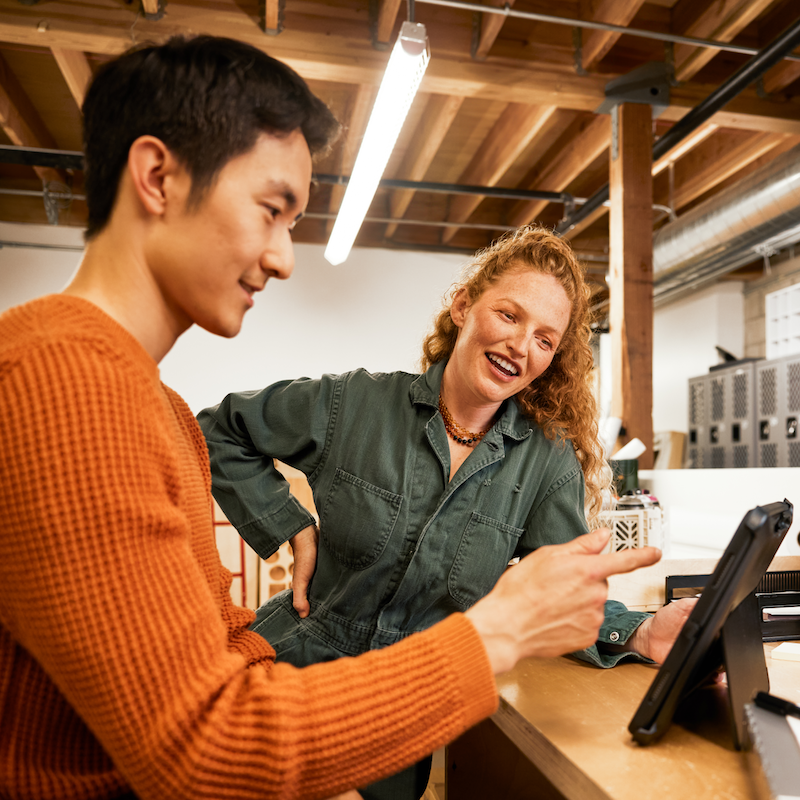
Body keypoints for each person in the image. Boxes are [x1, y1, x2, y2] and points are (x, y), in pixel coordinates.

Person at [0, 34, 665, 800]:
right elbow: (202, 750)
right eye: (272, 210)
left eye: (546, 338)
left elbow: (220, 660)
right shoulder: (64, 387)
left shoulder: (158, 409)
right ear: (158, 177)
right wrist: (495, 633)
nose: (285, 257)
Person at [198, 226, 692, 800]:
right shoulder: (355, 403)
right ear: (463, 306)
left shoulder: (545, 464)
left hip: (400, 712)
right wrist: (293, 528)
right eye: (509, 316)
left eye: (544, 339)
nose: (520, 346)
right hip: (290, 673)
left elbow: (563, 587)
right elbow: (219, 430)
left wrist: (641, 633)